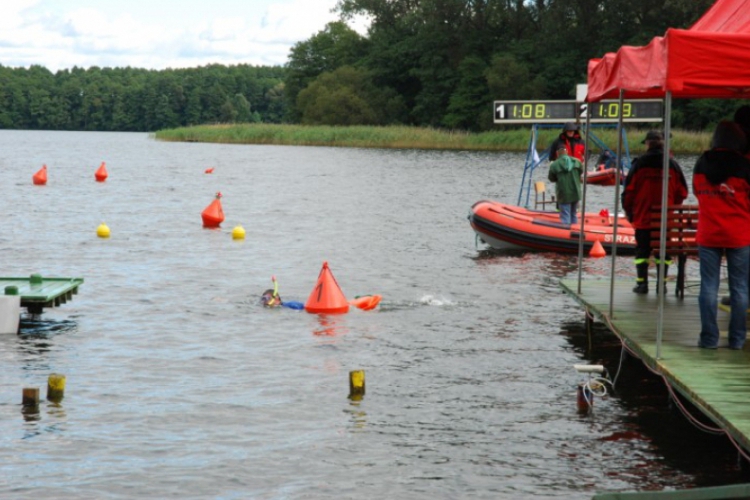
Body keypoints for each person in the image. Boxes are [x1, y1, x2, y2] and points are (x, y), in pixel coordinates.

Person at [693, 120, 750, 349]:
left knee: (708, 287)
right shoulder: (745, 166)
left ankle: (709, 338)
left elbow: (697, 192)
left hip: (709, 233)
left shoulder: (700, 164)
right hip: (739, 234)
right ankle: (736, 339)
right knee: (740, 288)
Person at [621, 130, 688, 294]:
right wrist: (671, 206)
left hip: (644, 218)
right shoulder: (673, 165)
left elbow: (628, 192)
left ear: (648, 144)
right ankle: (662, 284)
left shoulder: (639, 164)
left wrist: (630, 213)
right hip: (665, 219)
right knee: (663, 252)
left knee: (642, 251)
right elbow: (683, 192)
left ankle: (642, 284)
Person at [547, 146, 583, 225]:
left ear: (557, 153)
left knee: (565, 216)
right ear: (566, 152)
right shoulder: (577, 162)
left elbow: (551, 178)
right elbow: (581, 172)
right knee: (573, 214)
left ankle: (566, 233)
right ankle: (574, 233)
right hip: (576, 192)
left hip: (564, 194)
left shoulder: (554, 165)